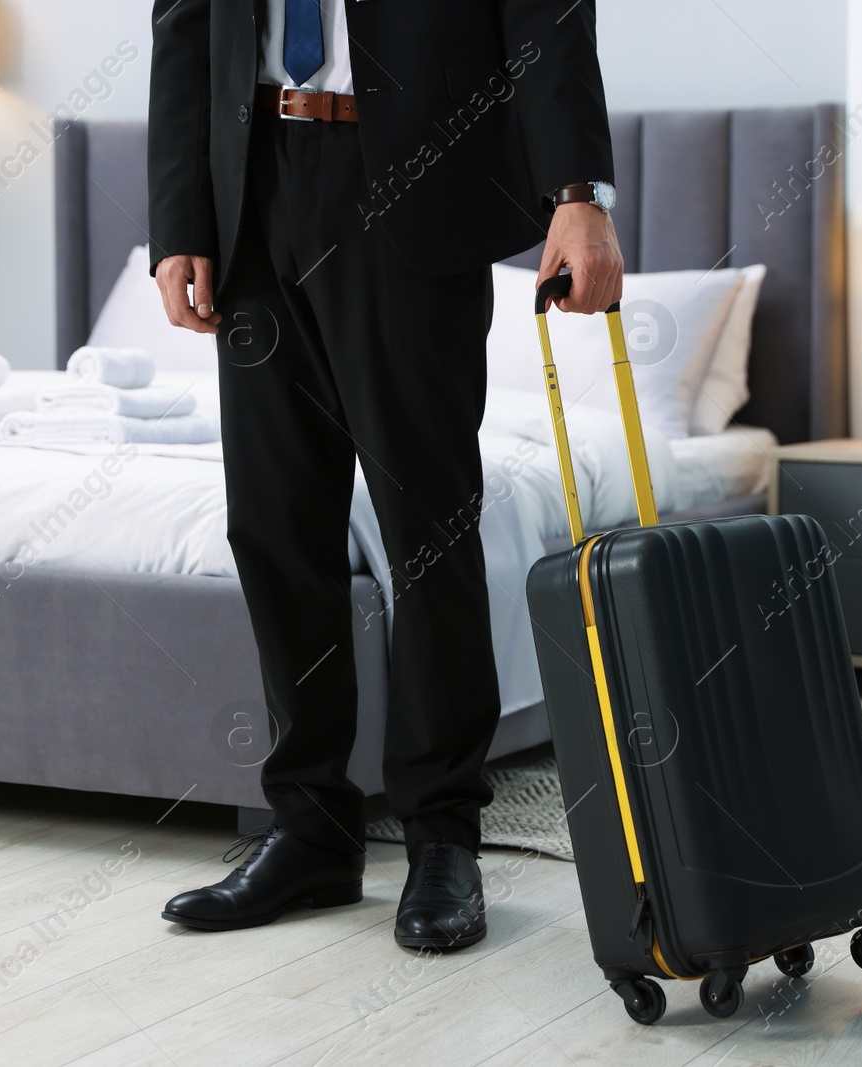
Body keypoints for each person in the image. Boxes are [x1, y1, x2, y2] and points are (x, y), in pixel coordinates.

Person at [149, 0, 622, 951]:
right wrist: (177, 218)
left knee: (428, 529)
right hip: (254, 189)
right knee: (274, 525)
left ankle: (442, 836)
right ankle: (310, 830)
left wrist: (576, 191)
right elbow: (184, 22)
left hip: (417, 182)